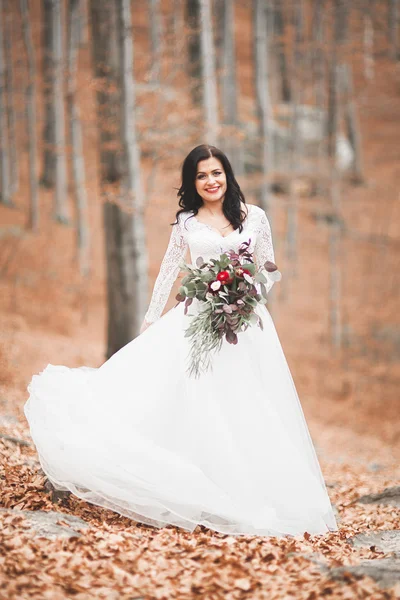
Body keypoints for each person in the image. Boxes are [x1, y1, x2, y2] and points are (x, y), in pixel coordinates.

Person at [24, 144, 338, 537]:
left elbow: (268, 269)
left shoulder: (254, 216)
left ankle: (244, 486)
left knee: (244, 400)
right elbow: (169, 269)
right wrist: (153, 317)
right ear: (193, 182)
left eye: (217, 172)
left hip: (245, 322)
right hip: (195, 317)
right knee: (191, 394)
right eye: (202, 175)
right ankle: (192, 479)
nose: (211, 181)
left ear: (228, 175)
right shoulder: (187, 221)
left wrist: (246, 294)